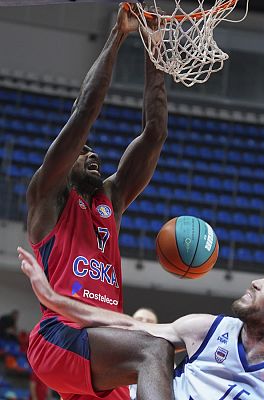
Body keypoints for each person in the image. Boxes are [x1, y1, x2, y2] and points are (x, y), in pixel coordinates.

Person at [25, 4, 173, 400]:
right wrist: (118, 35)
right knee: (154, 350)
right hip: (61, 336)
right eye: (83, 151)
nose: (93, 155)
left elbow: (154, 132)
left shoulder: (112, 199)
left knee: (151, 360)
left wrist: (153, 46)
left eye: (95, 153)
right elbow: (85, 111)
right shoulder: (47, 196)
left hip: (102, 345)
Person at [18, 247, 264, 400]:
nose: (257, 282)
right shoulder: (210, 329)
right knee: (151, 348)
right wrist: (55, 300)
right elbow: (129, 327)